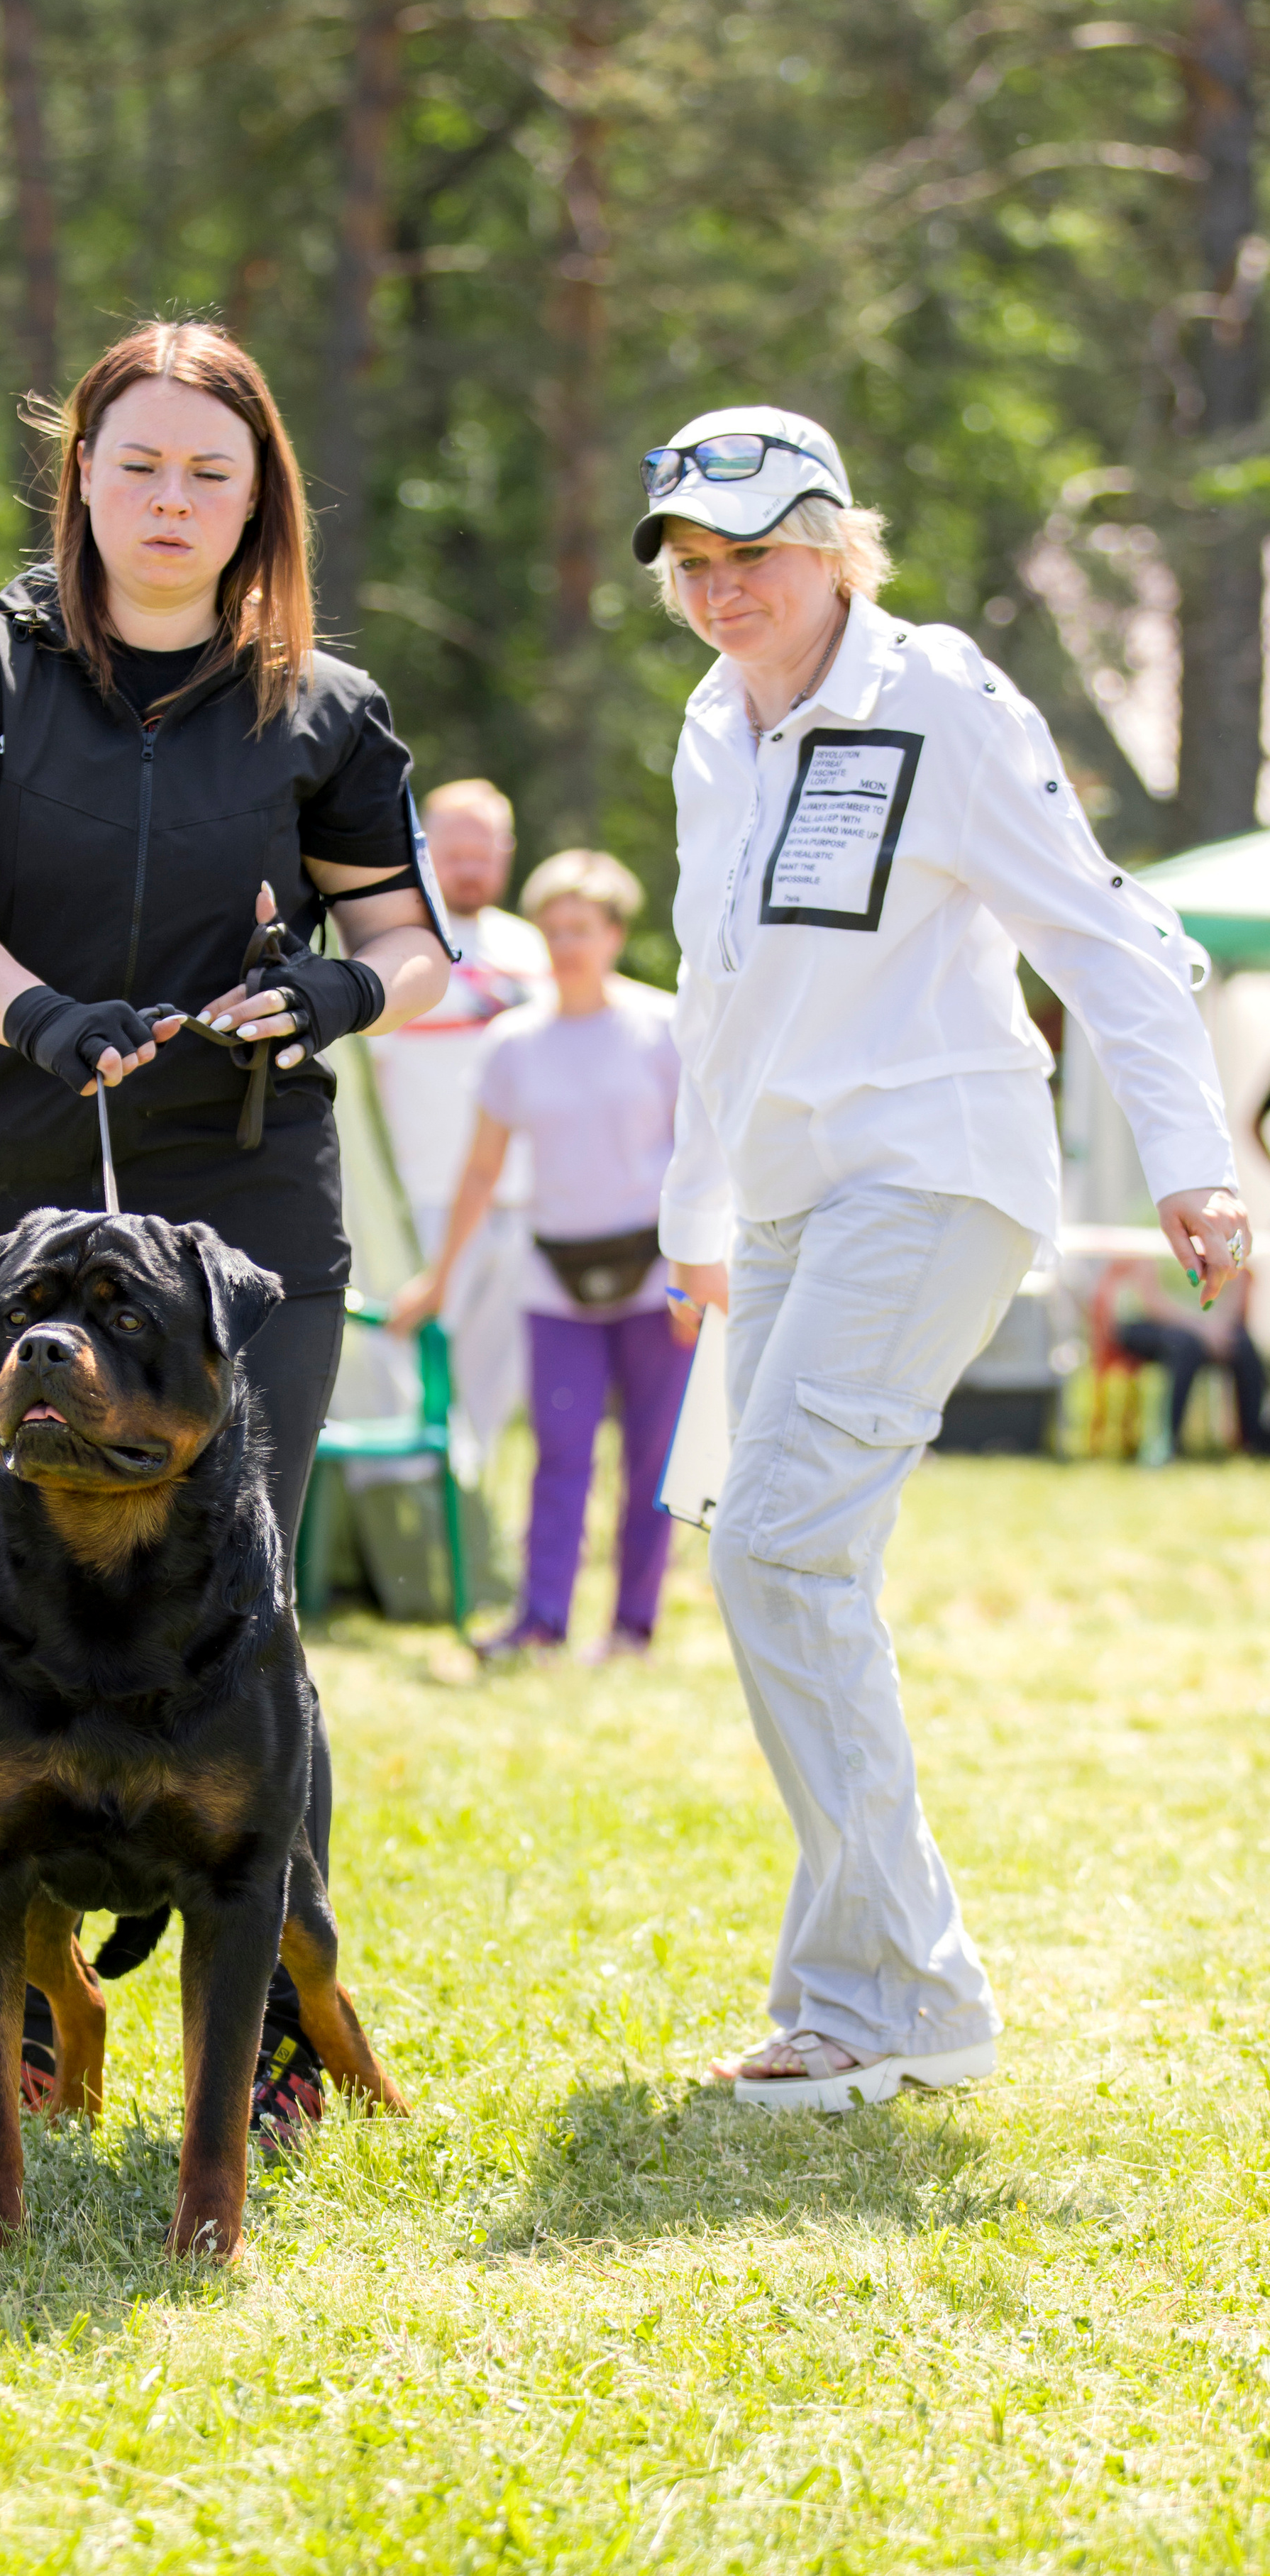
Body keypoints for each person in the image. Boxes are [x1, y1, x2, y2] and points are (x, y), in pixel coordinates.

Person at [0, 319, 453, 2140]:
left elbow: (411, 945)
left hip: (241, 1220)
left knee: (246, 1626)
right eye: (138, 465)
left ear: (260, 498)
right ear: (81, 478)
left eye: (210, 471)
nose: (170, 501)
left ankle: (266, 2037)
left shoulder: (323, 706)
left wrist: (339, 993)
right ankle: (33, 2031)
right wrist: (34, 1013)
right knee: (0, 1615)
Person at [637, 403, 1252, 2110]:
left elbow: (1103, 931)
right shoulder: (708, 726)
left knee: (776, 1550)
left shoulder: (943, 696)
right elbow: (711, 995)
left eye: (752, 554)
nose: (719, 590)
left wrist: (1192, 1165)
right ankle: (853, 1988)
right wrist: (696, 1225)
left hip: (930, 1169)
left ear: (836, 545)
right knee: (782, 1564)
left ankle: (904, 1997)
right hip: (783, 1203)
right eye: (690, 565)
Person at [392, 849, 692, 1663]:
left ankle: (632, 1627)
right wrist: (439, 1277)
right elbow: (480, 1170)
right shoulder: (514, 1044)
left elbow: (703, 1156)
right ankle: (541, 1621)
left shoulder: (663, 1028)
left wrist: (702, 1266)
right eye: (553, 930)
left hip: (656, 1277)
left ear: (615, 934)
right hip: (554, 1277)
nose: (565, 946)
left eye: (581, 929)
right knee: (559, 1452)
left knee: (652, 1459)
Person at [369, 779, 551, 1455]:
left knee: (497, 1368)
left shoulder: (532, 948)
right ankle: (410, 1497)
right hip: (429, 1188)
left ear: (507, 851)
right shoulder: (403, 947)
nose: (471, 867)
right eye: (456, 853)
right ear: (425, 850)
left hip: (524, 1194)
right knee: (413, 1359)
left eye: (485, 852)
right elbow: (376, 1079)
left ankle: (471, 1495)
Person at [1108, 1258, 1266, 1453]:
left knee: (1244, 1345)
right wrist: (1202, 1329)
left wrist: (1219, 1327)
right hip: (1153, 1322)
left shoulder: (1228, 1238)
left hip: (1211, 1327)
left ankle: (1252, 1440)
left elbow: (1239, 1284)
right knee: (1186, 1346)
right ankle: (1167, 1440)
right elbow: (1151, 1299)